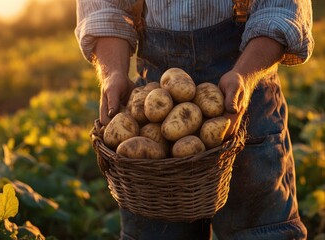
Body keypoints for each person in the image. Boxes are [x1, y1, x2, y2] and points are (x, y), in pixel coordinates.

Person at [75, 0, 314, 239]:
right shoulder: (154, 113)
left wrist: (244, 75)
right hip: (153, 98)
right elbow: (105, 7)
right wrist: (113, 72)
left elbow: (280, 7)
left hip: (245, 96)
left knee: (262, 233)